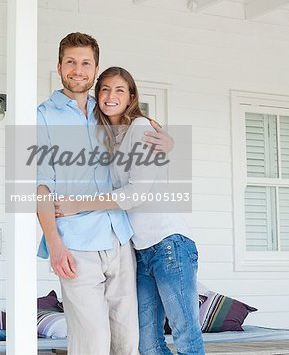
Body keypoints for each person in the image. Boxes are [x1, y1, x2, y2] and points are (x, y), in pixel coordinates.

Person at [37, 33, 172, 355]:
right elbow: (40, 185)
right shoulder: (43, 115)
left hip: (119, 235)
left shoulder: (109, 108)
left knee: (127, 339)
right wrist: (55, 245)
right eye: (70, 61)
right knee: (92, 341)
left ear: (95, 69)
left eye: (85, 63)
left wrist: (168, 143)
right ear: (59, 67)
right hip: (75, 241)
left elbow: (148, 138)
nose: (78, 69)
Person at [55, 66, 206, 355]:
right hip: (139, 249)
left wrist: (76, 206)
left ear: (131, 97)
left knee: (185, 334)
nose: (111, 95)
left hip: (168, 243)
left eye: (119, 90)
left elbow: (134, 194)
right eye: (105, 89)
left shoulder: (141, 128)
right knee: (147, 344)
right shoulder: (111, 138)